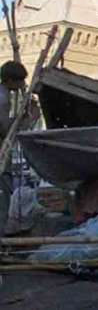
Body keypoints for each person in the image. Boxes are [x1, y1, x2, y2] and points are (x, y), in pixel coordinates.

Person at [0, 61, 38, 237]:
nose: (22, 85)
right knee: (3, 197)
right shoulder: (3, 98)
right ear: (10, 80)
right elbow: (7, 129)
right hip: (1, 155)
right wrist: (28, 119)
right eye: (19, 82)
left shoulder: (5, 95)